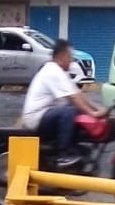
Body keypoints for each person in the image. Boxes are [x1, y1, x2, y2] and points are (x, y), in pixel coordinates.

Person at [21, 38, 107, 169]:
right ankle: (63, 154)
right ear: (61, 56)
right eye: (70, 57)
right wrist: (93, 114)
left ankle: (72, 147)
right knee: (70, 110)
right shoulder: (52, 71)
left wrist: (98, 109)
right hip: (36, 118)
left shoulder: (59, 72)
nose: (71, 61)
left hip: (45, 113)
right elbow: (73, 98)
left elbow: (78, 94)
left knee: (73, 109)